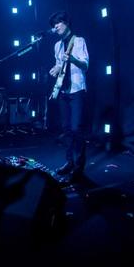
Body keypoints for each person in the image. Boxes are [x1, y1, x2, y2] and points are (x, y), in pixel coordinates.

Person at [48, 11, 89, 182]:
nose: (55, 27)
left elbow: (85, 65)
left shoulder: (79, 41)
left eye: (57, 23)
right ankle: (69, 162)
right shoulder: (57, 45)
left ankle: (79, 167)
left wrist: (73, 59)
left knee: (76, 128)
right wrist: (56, 68)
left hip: (77, 90)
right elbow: (59, 64)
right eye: (53, 25)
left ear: (66, 22)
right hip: (62, 91)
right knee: (66, 129)